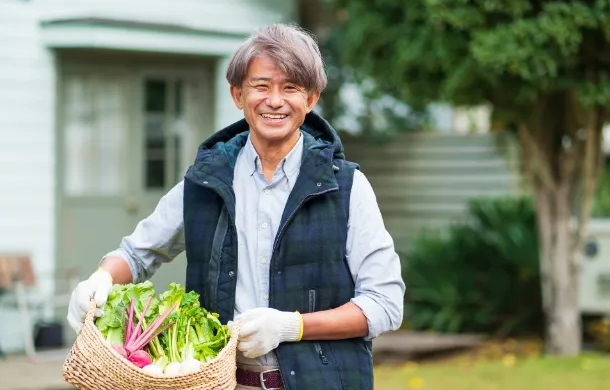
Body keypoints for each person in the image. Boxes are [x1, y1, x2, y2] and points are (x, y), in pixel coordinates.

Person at [67, 23, 405, 390]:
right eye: (261, 86)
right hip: (225, 382)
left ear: (311, 99)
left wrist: (292, 326)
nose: (275, 100)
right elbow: (136, 255)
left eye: (290, 87)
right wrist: (100, 279)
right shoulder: (205, 182)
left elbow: (384, 304)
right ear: (237, 94)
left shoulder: (347, 186)